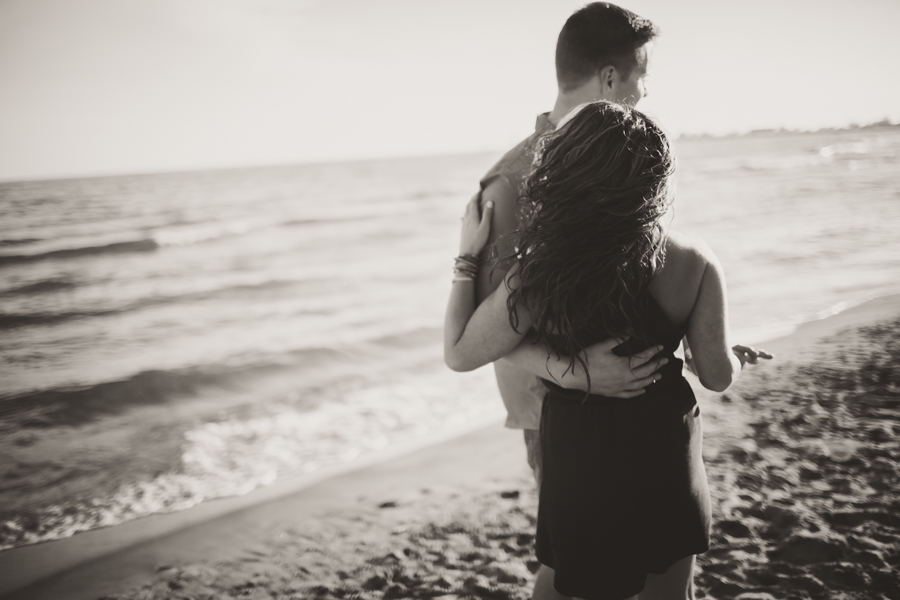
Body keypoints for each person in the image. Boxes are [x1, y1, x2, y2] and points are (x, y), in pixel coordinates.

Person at [445, 101, 771, 599]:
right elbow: (717, 375)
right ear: (656, 179)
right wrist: (728, 354)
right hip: (664, 450)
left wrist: (467, 257)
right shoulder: (694, 260)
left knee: (569, 584)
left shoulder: (537, 273)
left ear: (567, 170)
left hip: (580, 456)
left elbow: (461, 353)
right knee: (669, 587)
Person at [472, 6, 664, 596]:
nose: (646, 93)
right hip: (559, 417)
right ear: (610, 80)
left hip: (635, 404)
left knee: (653, 556)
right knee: (572, 571)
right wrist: (579, 373)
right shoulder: (510, 183)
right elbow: (488, 334)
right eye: (641, 78)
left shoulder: (626, 156)